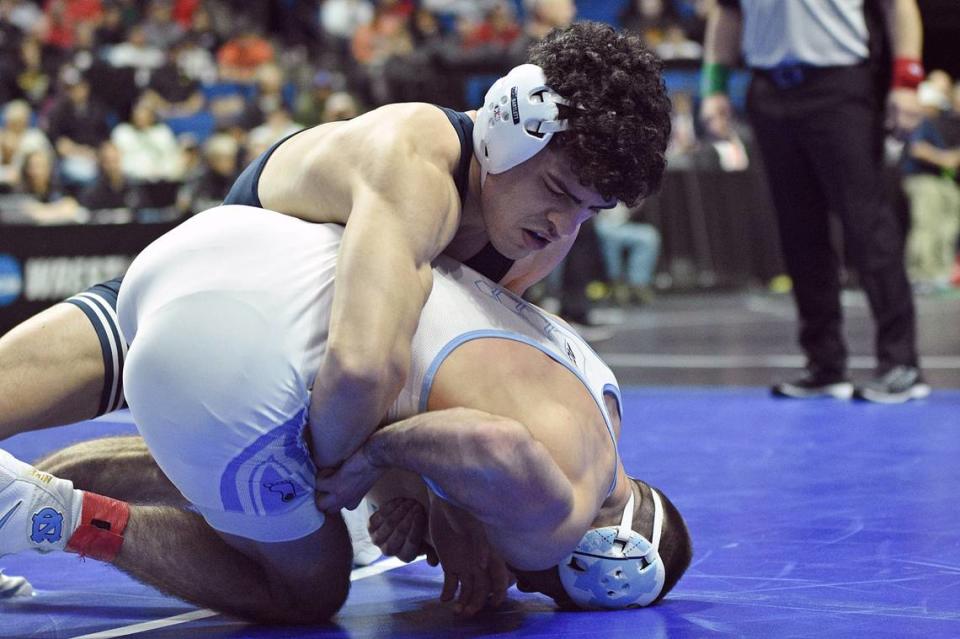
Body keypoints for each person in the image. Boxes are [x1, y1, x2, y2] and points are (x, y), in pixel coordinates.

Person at [0, 23, 672, 474]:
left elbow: (446, 372)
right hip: (201, 295)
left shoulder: (538, 236)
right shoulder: (413, 158)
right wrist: (378, 478)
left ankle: (93, 482)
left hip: (279, 371)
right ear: (507, 126)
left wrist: (439, 501)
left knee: (307, 575)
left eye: (589, 209)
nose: (562, 225)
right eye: (558, 188)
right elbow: (360, 365)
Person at [0, 204, 691, 621]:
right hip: (243, 355)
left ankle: (15, 489)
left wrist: (432, 501)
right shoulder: (556, 515)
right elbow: (489, 442)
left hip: (242, 244)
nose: (524, 586)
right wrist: (377, 461)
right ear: (595, 558)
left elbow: (455, 381)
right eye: (544, 590)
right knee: (310, 584)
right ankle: (46, 513)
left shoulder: (599, 392)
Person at [700, 0, 929, 403]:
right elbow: (728, 13)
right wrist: (713, 88)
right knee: (798, 231)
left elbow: (899, 6)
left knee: (867, 225)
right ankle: (824, 364)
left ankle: (901, 364)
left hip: (839, 87)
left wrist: (907, 81)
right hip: (769, 90)